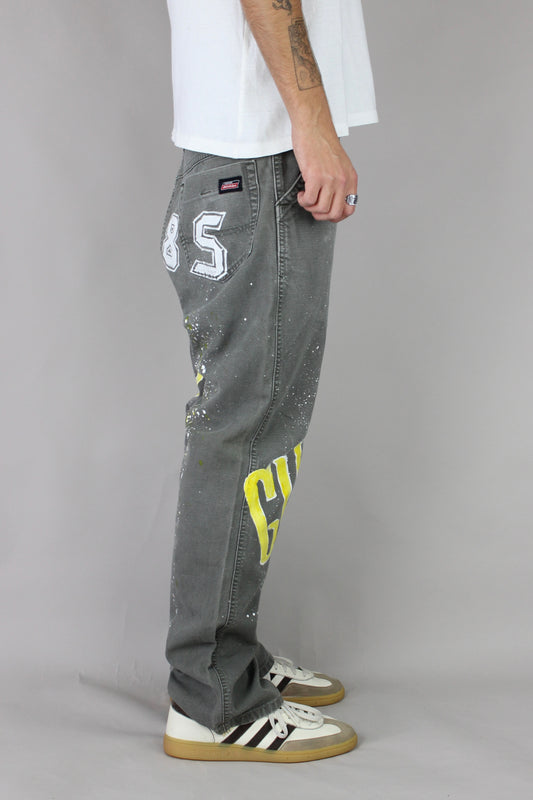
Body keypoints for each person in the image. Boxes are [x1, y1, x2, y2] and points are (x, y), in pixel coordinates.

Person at [159, 0, 378, 762]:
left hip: (248, 156)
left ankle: (227, 658)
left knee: (251, 427)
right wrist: (312, 126)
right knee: (246, 430)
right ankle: (211, 699)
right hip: (260, 158)